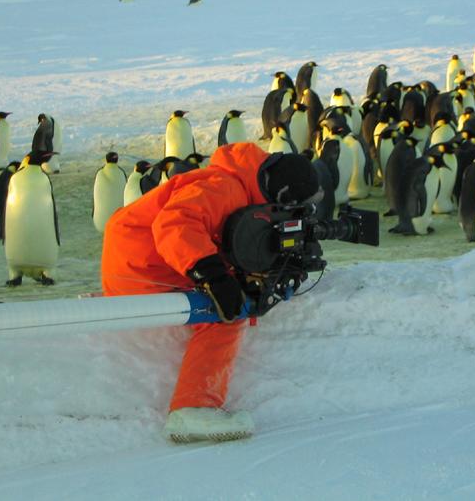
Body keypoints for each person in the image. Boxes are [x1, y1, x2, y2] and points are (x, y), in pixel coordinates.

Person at [100, 142, 319, 443]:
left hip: (153, 260)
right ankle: (193, 408)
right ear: (281, 196)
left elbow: (219, 235)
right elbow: (174, 224)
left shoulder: (241, 186)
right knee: (224, 314)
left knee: (236, 292)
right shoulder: (223, 187)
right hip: (142, 268)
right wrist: (213, 276)